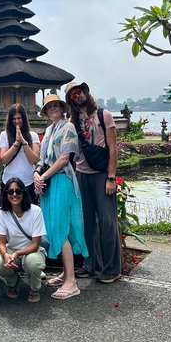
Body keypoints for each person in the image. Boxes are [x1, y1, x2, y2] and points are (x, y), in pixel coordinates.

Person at [65, 81, 122, 284]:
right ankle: (92, 264)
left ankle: (112, 268)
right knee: (86, 222)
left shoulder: (103, 115)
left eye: (79, 92)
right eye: (72, 95)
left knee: (107, 222)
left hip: (101, 174)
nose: (77, 96)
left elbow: (113, 148)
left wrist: (111, 177)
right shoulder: (73, 120)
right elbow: (70, 151)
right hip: (82, 174)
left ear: (86, 92)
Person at [34, 94, 88, 300]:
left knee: (61, 227)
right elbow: (43, 159)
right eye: (50, 106)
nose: (53, 109)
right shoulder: (49, 130)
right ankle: (66, 272)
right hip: (49, 182)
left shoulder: (68, 127)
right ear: (46, 112)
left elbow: (65, 158)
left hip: (62, 181)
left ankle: (72, 282)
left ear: (62, 108)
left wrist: (44, 176)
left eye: (56, 105)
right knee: (53, 226)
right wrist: (37, 174)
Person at [0, 177, 47, 302]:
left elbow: (36, 244)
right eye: (10, 192)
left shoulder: (35, 211)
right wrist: (6, 255)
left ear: (24, 193)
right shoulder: (2, 212)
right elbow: (1, 243)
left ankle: (34, 287)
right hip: (12, 249)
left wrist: (17, 253)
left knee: (33, 262)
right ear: (5, 194)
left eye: (18, 191)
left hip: (32, 251)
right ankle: (13, 282)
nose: (14, 195)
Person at [0, 104, 40, 203]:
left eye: (19, 118)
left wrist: (24, 141)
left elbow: (33, 160)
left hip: (28, 181)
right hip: (9, 181)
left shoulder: (33, 136)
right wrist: (16, 143)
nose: (17, 121)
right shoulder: (4, 135)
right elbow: (4, 159)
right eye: (14, 119)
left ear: (24, 119)